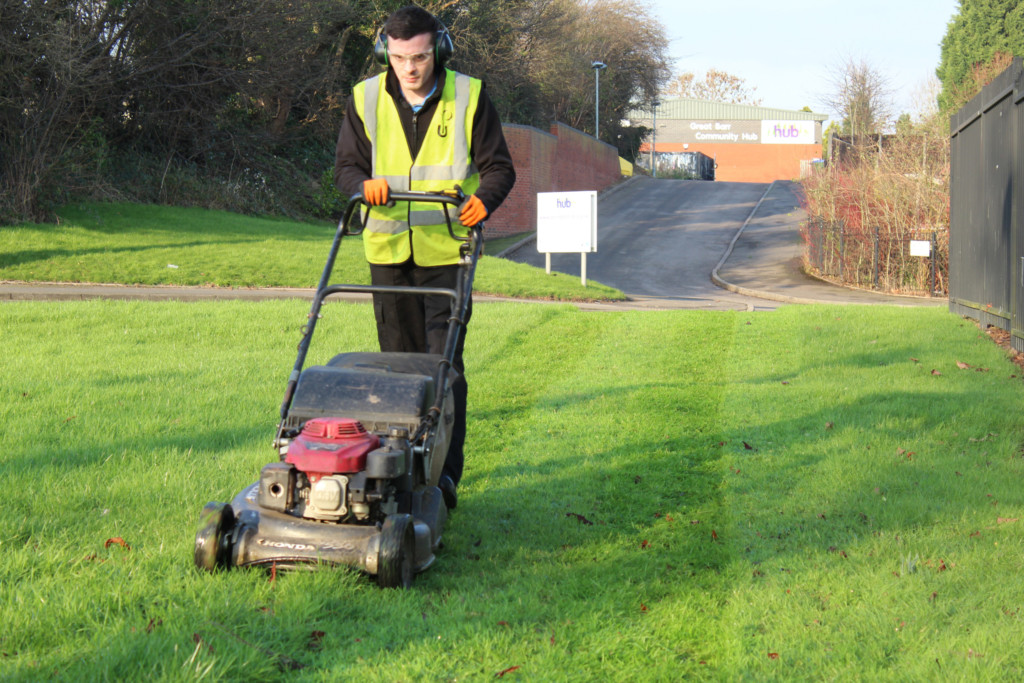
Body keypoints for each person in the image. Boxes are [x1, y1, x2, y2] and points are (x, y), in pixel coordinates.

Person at [334, 5, 515, 510]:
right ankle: (399, 472)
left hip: (448, 254)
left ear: (438, 48)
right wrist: (361, 185)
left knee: (443, 366)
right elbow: (347, 167)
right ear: (383, 53)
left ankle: (442, 479)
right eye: (398, 58)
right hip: (389, 252)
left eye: (418, 57)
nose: (409, 68)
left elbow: (499, 168)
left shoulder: (470, 96)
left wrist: (486, 201)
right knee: (396, 367)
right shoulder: (365, 99)